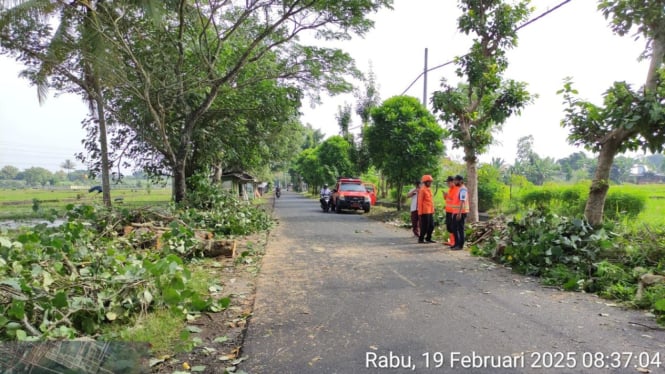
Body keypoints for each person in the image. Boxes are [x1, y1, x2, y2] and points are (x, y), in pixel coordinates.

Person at [450, 175, 469, 250]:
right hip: (456, 212)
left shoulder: (463, 189)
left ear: (460, 181)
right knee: (454, 228)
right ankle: (456, 243)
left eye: (456, 181)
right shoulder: (459, 189)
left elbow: (462, 201)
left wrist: (459, 213)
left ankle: (460, 245)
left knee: (460, 229)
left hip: (461, 212)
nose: (454, 182)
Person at [417, 175, 436, 244]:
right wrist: (420, 212)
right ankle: (421, 239)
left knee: (431, 226)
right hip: (424, 212)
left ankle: (428, 238)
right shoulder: (422, 190)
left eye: (431, 182)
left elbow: (431, 201)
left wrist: (433, 209)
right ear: (425, 182)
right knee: (425, 226)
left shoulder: (429, 189)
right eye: (429, 182)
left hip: (430, 211)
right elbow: (420, 202)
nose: (430, 183)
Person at [443, 176, 457, 247]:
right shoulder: (450, 189)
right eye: (447, 183)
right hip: (448, 210)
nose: (447, 184)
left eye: (448, 182)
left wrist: (447, 196)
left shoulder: (456, 189)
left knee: (452, 226)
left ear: (452, 182)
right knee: (449, 226)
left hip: (453, 211)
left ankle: (454, 242)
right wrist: (445, 196)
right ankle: (451, 241)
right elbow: (447, 199)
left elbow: (454, 199)